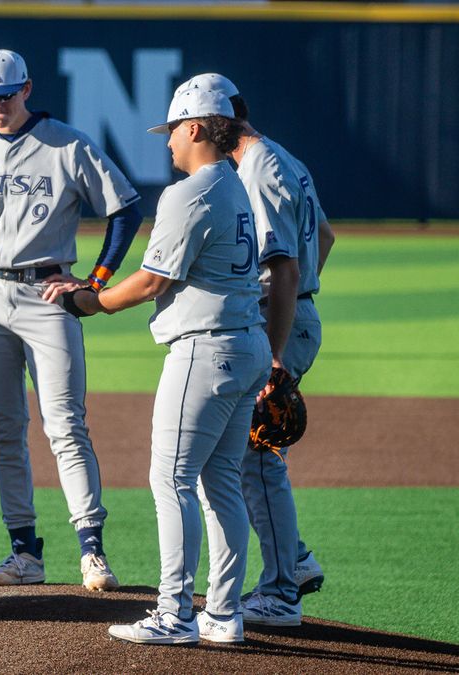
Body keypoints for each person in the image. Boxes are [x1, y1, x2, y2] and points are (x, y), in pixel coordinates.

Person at [50, 87, 271, 645]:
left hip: (205, 350)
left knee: (171, 479)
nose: (167, 141)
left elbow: (151, 282)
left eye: (171, 130)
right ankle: (222, 614)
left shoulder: (189, 193)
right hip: (246, 344)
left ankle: (174, 612)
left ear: (195, 128)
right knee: (220, 482)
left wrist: (86, 300)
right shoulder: (236, 185)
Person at [0, 49, 142, 591]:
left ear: (26, 89)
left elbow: (125, 209)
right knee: (5, 429)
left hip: (49, 296)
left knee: (65, 425)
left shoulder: (68, 144)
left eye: (4, 95)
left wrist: (94, 282)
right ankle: (24, 553)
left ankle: (92, 549)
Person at [179, 73, 335, 627]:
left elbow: (283, 267)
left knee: (255, 458)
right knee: (250, 453)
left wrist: (274, 352)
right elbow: (326, 237)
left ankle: (280, 591)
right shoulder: (285, 158)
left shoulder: (258, 169)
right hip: (290, 315)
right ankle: (293, 558)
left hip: (277, 321)